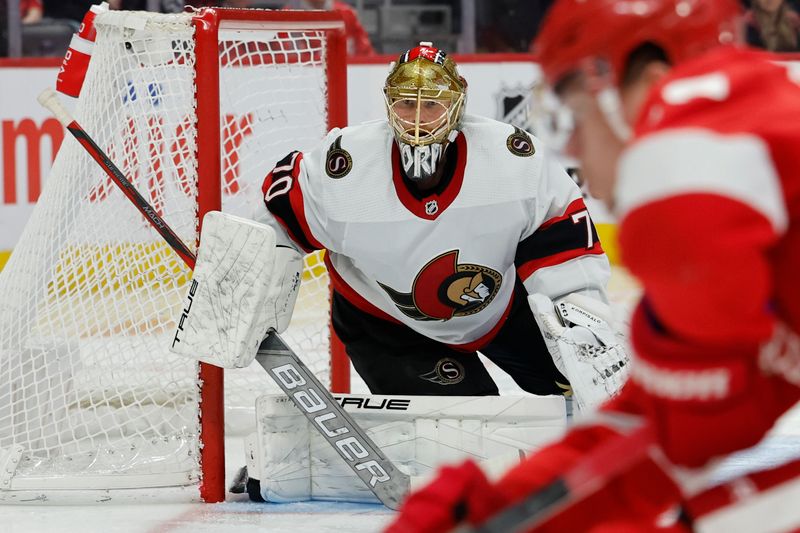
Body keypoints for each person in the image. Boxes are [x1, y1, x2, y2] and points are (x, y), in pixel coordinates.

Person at [386, 1, 800, 532]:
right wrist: (501, 510)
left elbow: (685, 440)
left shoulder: (683, 161)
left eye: (574, 117)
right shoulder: (751, 133)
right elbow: (660, 433)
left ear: (649, 83)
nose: (574, 150)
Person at [258, 43, 628, 408]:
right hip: (388, 324)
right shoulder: (345, 168)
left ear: (456, 106)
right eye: (406, 102)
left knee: (585, 384)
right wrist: (242, 297)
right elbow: (277, 220)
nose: (417, 118)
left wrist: (582, 322)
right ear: (388, 104)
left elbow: (561, 243)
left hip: (500, 309)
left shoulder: (513, 160)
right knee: (463, 426)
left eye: (431, 104)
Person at [289, 0, 375, 56]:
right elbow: (283, 58)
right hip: (304, 76)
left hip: (349, 74)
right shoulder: (286, 17)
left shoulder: (347, 13)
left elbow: (366, 53)